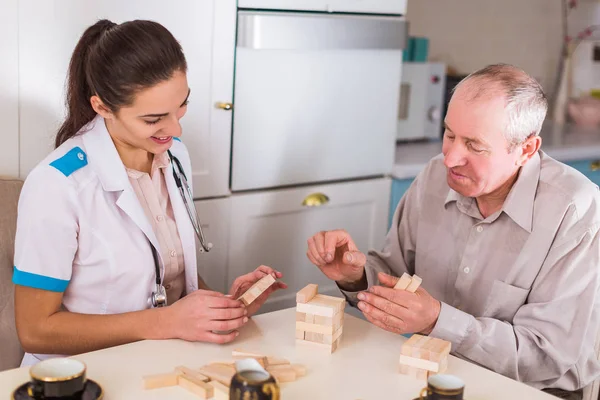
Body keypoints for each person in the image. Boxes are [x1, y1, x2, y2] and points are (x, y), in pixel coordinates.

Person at [306, 64, 600, 399]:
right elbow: (396, 280)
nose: (450, 159)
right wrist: (355, 277)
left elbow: (547, 357)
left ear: (526, 150)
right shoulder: (433, 176)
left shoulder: (575, 210)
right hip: (435, 374)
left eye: (474, 145)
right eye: (449, 135)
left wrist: (436, 321)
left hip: (533, 390)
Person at [12, 19, 286, 367]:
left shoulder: (174, 156)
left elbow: (165, 275)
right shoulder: (57, 185)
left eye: (182, 105)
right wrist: (167, 321)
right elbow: (35, 330)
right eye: (154, 118)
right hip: (82, 376)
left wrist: (218, 306)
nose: (176, 128)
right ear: (102, 107)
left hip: (160, 362)